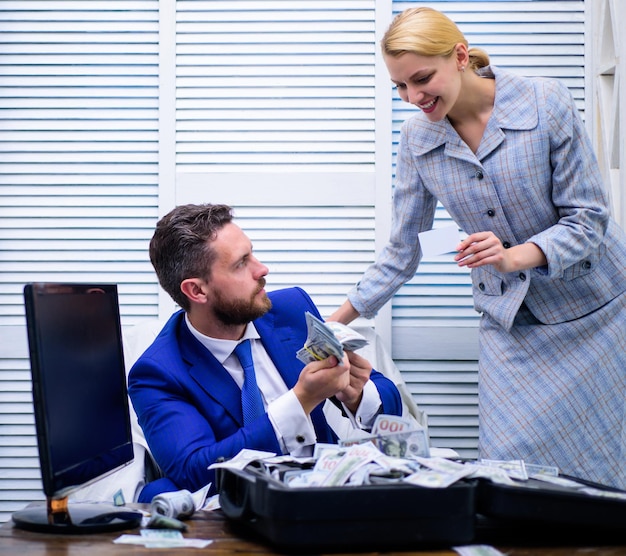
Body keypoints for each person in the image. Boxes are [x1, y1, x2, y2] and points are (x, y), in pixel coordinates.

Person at [329, 7, 626, 489]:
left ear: (461, 57)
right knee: (505, 466)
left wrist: (513, 256)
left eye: (422, 79)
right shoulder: (416, 137)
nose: (413, 97)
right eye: (400, 87)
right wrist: (330, 324)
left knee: (600, 472)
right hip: (511, 320)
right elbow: (403, 250)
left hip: (598, 312)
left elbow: (589, 216)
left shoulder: (543, 100)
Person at [127, 203, 402, 502]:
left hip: (331, 496)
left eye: (252, 253)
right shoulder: (157, 374)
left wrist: (359, 395)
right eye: (241, 263)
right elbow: (193, 471)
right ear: (197, 291)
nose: (262, 269)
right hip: (244, 518)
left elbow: (389, 402)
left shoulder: (292, 309)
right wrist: (301, 401)